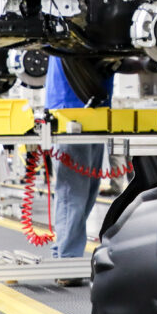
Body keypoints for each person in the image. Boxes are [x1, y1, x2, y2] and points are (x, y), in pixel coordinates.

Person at [47, 55, 114, 278]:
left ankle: (63, 256)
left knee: (87, 192)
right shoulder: (69, 29)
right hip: (72, 111)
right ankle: (67, 262)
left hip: (97, 112)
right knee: (73, 193)